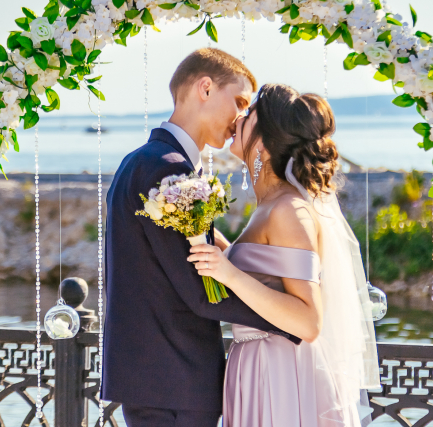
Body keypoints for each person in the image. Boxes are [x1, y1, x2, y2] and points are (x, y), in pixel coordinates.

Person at [101, 49, 300, 427]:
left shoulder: (142, 161)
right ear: (205, 88)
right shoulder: (167, 169)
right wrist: (290, 319)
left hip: (157, 381)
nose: (240, 117)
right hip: (175, 381)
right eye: (238, 101)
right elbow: (199, 291)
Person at [188, 84, 379, 427]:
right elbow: (267, 274)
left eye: (249, 115)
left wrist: (227, 273)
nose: (238, 117)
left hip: (282, 376)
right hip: (258, 367)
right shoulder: (271, 205)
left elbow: (308, 322)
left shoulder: (289, 210)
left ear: (261, 143)